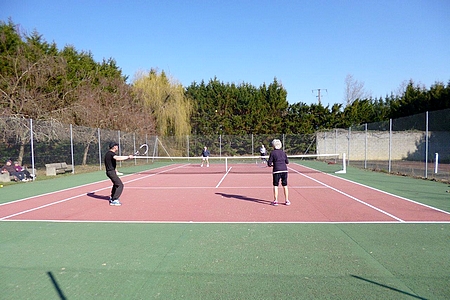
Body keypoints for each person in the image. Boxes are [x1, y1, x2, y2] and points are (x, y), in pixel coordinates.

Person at [267, 139, 290, 206]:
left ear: (273, 146)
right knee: (285, 185)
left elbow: (269, 163)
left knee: (276, 185)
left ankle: (275, 200)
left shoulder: (272, 153)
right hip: (284, 170)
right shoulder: (283, 153)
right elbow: (287, 162)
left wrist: (271, 164)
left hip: (276, 170)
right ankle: (287, 200)